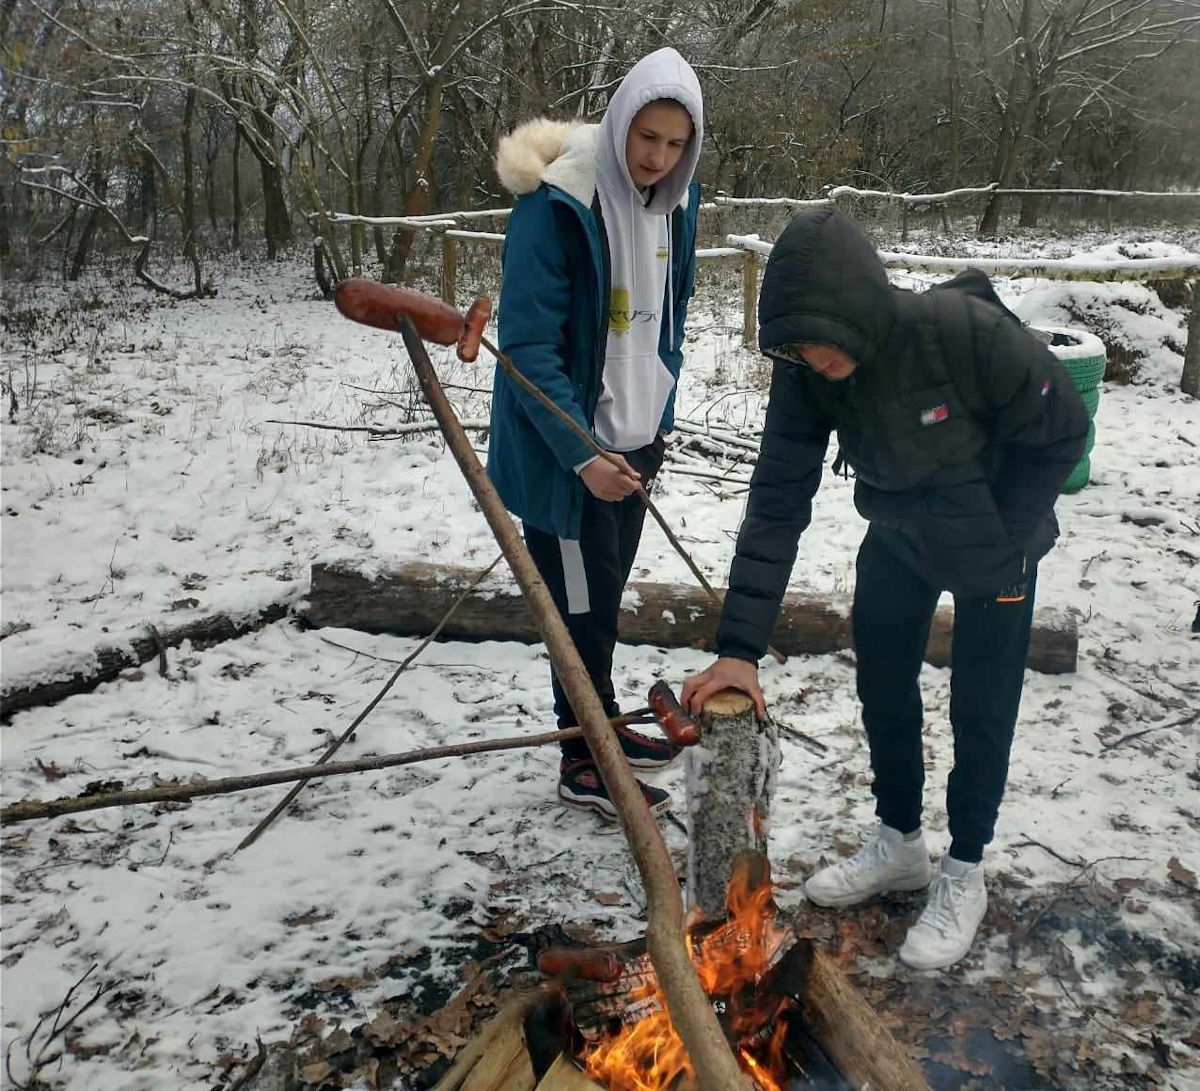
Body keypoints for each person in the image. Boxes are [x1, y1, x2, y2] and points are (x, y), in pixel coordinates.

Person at [681, 208, 1088, 969]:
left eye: (822, 341)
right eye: (796, 346)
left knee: (982, 703)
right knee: (883, 682)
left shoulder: (958, 331)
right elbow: (777, 497)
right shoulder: (808, 372)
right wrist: (739, 647)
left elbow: (1065, 429)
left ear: (862, 312)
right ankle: (900, 840)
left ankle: (965, 867)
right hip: (898, 534)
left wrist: (1002, 542)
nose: (811, 357)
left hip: (997, 546)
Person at [487, 49, 704, 821]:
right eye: (647, 136)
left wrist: (660, 413)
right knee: (582, 612)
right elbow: (528, 346)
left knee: (602, 602)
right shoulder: (559, 204)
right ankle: (584, 759)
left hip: (636, 445)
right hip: (569, 460)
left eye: (676, 144)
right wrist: (584, 453)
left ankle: (602, 728)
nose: (657, 157)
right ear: (619, 122)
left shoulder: (678, 200)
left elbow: (672, 312)